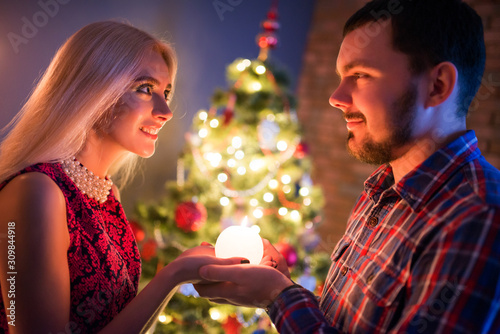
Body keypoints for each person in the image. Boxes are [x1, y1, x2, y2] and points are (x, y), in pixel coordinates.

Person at [194, 0, 500, 333]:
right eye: (342, 76)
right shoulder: (382, 187)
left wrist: (278, 296)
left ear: (437, 85)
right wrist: (282, 286)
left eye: (361, 75)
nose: (336, 96)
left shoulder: (480, 219)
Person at [0, 21, 248, 333]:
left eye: (166, 92)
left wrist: (180, 271)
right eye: (145, 89)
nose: (166, 111)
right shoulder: (37, 191)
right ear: (92, 90)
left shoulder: (106, 194)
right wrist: (173, 275)